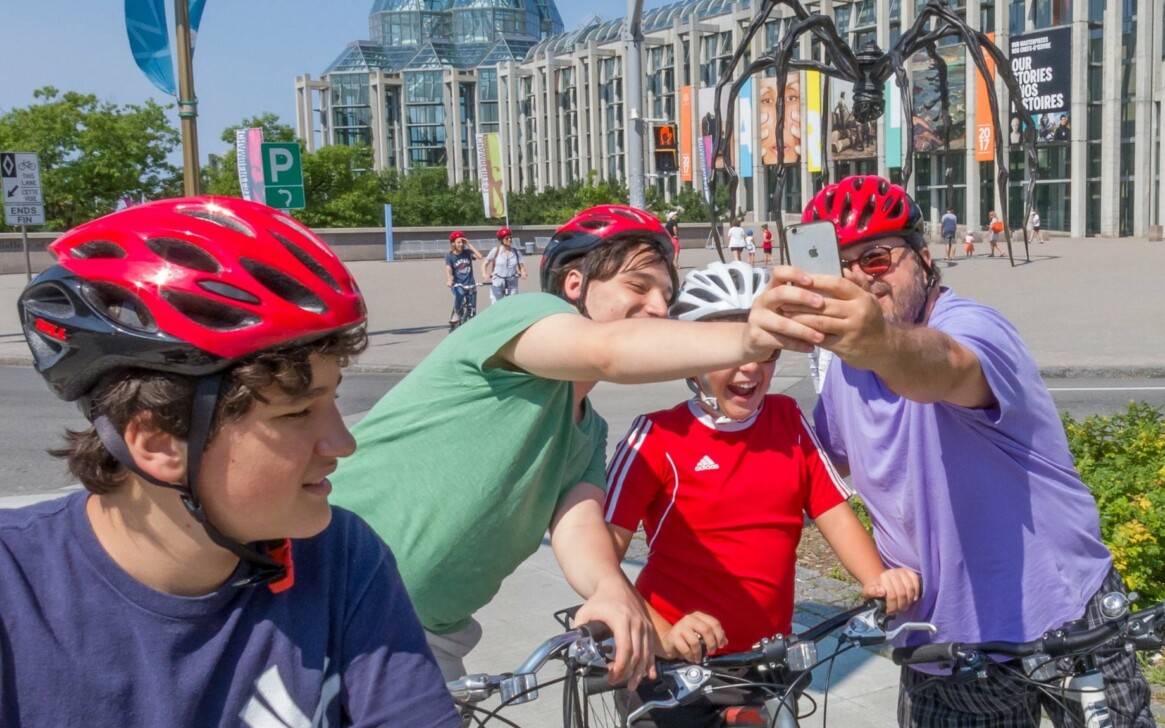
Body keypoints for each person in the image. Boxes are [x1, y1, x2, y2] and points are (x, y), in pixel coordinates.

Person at [0, 197, 459, 726]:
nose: (340, 443)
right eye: (297, 412)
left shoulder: (342, 560)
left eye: (332, 400)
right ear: (159, 443)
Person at [329, 205, 828, 689]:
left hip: (425, 637)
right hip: (325, 586)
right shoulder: (523, 315)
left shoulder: (586, 434)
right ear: (575, 285)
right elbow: (607, 352)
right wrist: (750, 338)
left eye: (666, 296)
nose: (658, 307)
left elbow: (579, 530)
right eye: (638, 286)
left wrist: (612, 589)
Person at [799, 176, 1153, 728]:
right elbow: (811, 472)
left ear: (921, 257)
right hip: (946, 648)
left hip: (1068, 620)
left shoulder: (971, 326)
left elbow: (947, 369)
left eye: (875, 259)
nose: (860, 282)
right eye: (840, 267)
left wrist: (877, 343)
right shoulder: (845, 372)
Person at [604, 261, 920, 727]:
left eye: (767, 349)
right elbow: (600, 558)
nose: (751, 365)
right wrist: (662, 631)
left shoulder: (788, 419)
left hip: (766, 663)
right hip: (673, 666)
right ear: (691, 356)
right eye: (732, 349)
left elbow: (831, 507)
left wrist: (877, 578)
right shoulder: (655, 436)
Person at [445, 231, 484, 330]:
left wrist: (469, 244)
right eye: (458, 242)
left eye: (462, 242)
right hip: (458, 285)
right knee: (461, 293)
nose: (461, 244)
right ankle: (456, 312)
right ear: (453, 243)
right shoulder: (450, 256)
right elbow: (448, 269)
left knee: (472, 309)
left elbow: (480, 256)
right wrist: (449, 280)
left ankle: (471, 325)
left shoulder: (467, 253)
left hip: (471, 284)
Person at [482, 226, 526, 303]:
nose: (509, 240)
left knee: (513, 303)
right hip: (497, 281)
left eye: (510, 238)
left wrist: (523, 272)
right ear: (501, 240)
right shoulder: (496, 250)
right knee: (496, 304)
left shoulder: (515, 251)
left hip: (512, 281)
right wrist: (484, 274)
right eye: (507, 238)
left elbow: (521, 266)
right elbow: (485, 264)